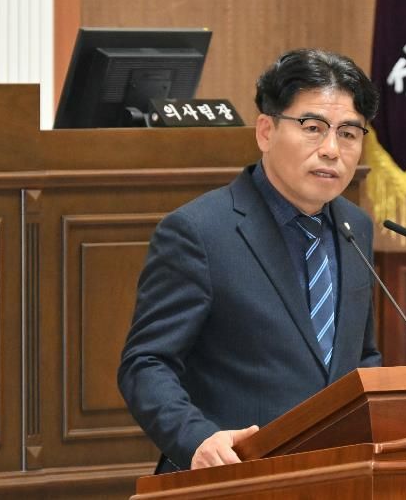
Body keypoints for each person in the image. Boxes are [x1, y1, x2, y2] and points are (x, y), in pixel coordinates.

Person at [117, 48, 382, 474]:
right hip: (232, 476)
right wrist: (196, 439)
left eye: (349, 133)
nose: (332, 149)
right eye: (313, 128)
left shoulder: (356, 227)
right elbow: (145, 364)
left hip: (332, 476)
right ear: (265, 131)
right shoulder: (198, 232)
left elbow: (361, 355)